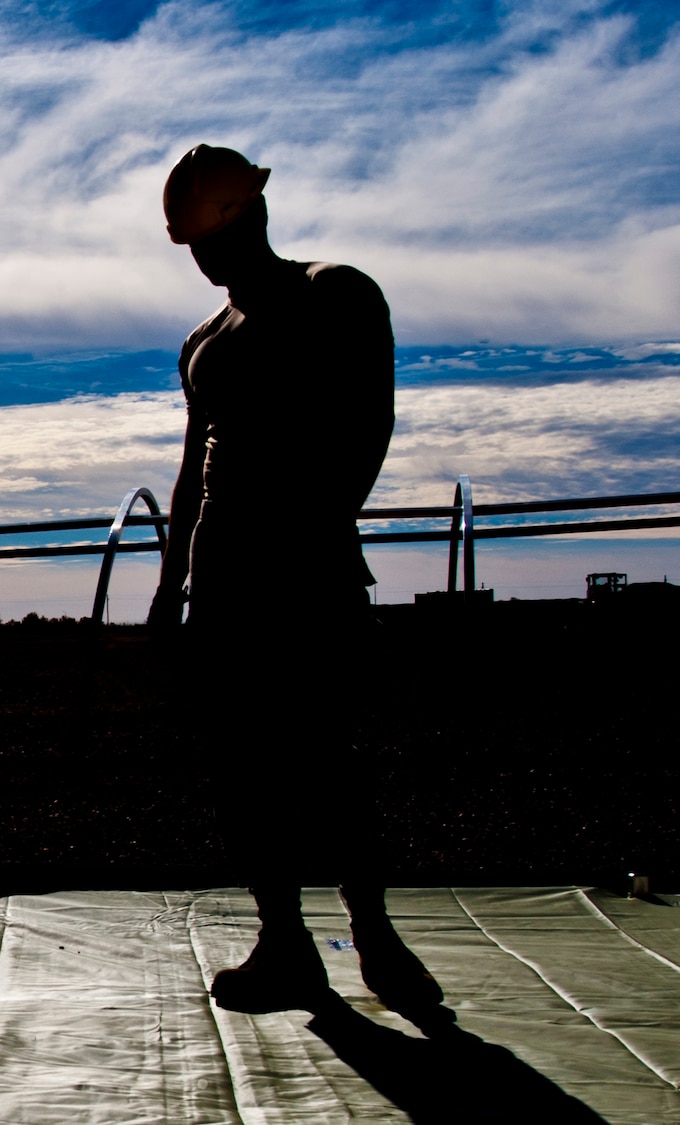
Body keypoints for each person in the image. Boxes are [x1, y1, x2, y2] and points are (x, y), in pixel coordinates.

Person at [147, 145, 439, 1015]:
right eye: (195, 249)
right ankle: (286, 943)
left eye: (212, 241)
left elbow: (367, 430)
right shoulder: (205, 343)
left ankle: (375, 936)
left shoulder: (335, 295)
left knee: (326, 762)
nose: (204, 262)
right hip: (226, 589)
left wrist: (307, 538)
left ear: (254, 219)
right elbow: (192, 469)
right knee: (241, 770)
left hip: (306, 576)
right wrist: (173, 588)